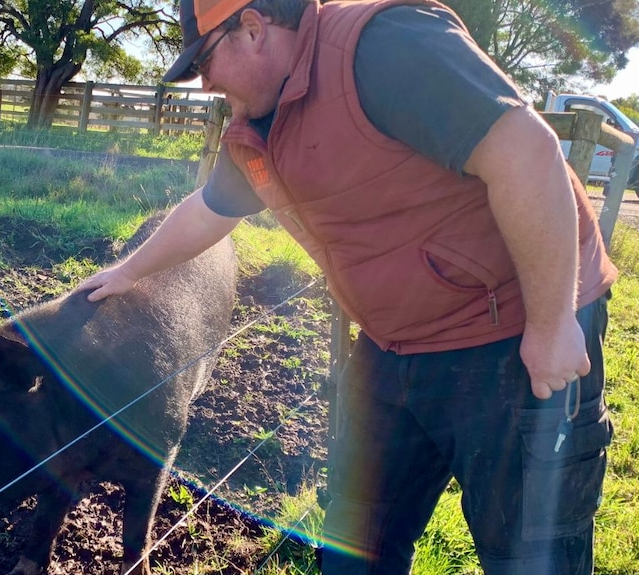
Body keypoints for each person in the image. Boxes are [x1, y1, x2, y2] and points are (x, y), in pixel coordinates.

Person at [79, 0, 618, 573]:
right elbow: (211, 209)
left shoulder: (381, 45)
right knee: (353, 541)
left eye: (205, 61)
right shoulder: (255, 124)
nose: (206, 83)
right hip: (392, 345)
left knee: (530, 555)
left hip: (509, 334)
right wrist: (129, 271)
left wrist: (553, 324)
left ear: (254, 28)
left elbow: (526, 151)